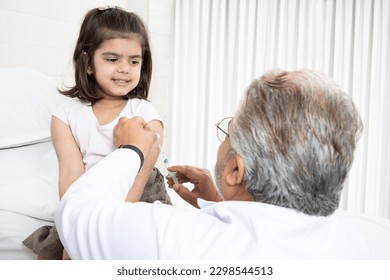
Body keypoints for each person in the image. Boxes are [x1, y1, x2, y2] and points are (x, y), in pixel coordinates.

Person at [55, 69, 371, 259]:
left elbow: (75, 211)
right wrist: (221, 201)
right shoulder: (371, 234)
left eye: (228, 132)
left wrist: (133, 150)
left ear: (235, 171)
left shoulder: (174, 243)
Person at [22, 6, 171, 260]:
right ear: (88, 62)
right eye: (112, 59)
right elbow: (70, 178)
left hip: (138, 194)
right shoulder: (65, 116)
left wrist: (107, 229)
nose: (125, 68)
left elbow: (139, 176)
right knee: (57, 253)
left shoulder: (146, 113)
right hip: (92, 195)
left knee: (137, 245)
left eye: (134, 61)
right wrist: (75, 234)